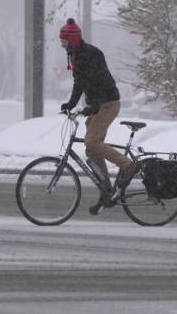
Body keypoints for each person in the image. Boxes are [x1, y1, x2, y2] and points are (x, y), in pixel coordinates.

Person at [58, 18, 136, 215]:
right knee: (92, 150)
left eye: (63, 41)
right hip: (99, 105)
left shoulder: (89, 55)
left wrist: (93, 105)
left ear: (72, 41)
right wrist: (71, 104)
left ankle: (127, 165)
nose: (61, 44)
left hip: (108, 103)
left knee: (92, 143)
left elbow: (99, 80)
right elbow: (80, 83)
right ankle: (106, 190)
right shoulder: (77, 56)